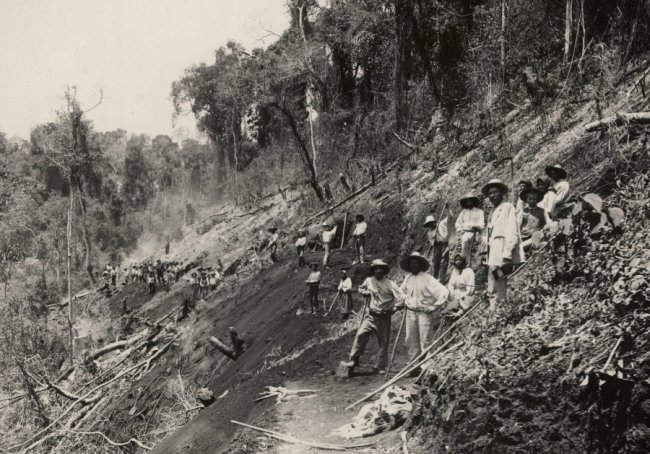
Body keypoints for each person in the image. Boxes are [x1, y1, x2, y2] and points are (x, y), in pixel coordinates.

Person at [344, 259, 404, 373]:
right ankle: (354, 359)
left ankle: (381, 366)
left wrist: (395, 309)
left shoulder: (390, 284)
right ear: (373, 270)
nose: (378, 271)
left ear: (384, 271)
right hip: (370, 315)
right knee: (360, 335)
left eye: (381, 269)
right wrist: (364, 292)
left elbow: (401, 297)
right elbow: (360, 288)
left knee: (383, 341)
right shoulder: (369, 280)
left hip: (383, 317)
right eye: (376, 269)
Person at [399, 252, 449, 367]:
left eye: (416, 263)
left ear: (420, 264)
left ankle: (426, 366)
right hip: (411, 313)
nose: (413, 265)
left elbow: (444, 292)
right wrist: (405, 299)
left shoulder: (428, 278)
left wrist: (434, 306)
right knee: (410, 340)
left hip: (423, 313)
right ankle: (413, 365)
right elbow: (400, 291)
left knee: (425, 340)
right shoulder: (408, 278)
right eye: (411, 263)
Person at [482, 179, 524, 311]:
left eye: (495, 192)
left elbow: (512, 231)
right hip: (493, 255)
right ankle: (496, 310)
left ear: (501, 193)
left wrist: (507, 253)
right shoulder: (492, 212)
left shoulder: (507, 207)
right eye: (490, 193)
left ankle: (499, 312)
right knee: (493, 282)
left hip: (502, 254)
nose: (492, 195)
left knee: (498, 283)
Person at [455, 193, 485, 264]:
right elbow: (457, 223)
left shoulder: (479, 211)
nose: (469, 203)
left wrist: (477, 227)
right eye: (468, 201)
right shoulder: (463, 212)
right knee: (465, 241)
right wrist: (460, 230)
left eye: (470, 201)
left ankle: (479, 263)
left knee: (483, 242)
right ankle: (466, 263)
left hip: (477, 232)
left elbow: (482, 224)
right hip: (465, 232)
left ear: (473, 202)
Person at [424, 214, 449, 280]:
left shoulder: (440, 224)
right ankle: (436, 277)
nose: (430, 225)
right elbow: (432, 243)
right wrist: (434, 238)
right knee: (436, 261)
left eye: (431, 223)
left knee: (444, 260)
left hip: (444, 244)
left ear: (434, 222)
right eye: (429, 224)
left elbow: (449, 217)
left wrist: (447, 208)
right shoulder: (429, 232)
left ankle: (443, 277)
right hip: (436, 246)